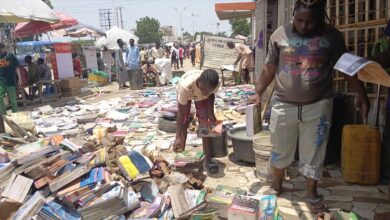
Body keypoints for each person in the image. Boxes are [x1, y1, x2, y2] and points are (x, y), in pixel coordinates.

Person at [252, 0, 369, 214]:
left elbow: (346, 69)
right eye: (300, 20)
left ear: (320, 18)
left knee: (315, 150)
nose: (304, 26)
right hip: (283, 104)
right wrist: (258, 92)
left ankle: (311, 191)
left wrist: (362, 94)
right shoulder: (279, 34)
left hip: (318, 105)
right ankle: (277, 184)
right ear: (293, 14)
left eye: (310, 22)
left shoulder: (332, 36)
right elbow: (269, 68)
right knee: (280, 147)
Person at [173, 69, 221, 174]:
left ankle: (207, 160)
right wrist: (177, 137)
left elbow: (211, 95)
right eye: (203, 89)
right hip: (188, 93)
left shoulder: (215, 84)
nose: (204, 93)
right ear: (199, 81)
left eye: (207, 91)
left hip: (203, 99)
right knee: (185, 121)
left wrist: (211, 113)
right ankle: (182, 157)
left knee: (206, 124)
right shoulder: (185, 86)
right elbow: (181, 115)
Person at [0, 43, 20, 115]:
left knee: (13, 101)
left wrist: (20, 78)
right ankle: (3, 115)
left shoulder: (11, 56)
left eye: (1, 49)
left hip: (10, 81)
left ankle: (15, 114)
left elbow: (17, 67)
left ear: (4, 48)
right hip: (1, 82)